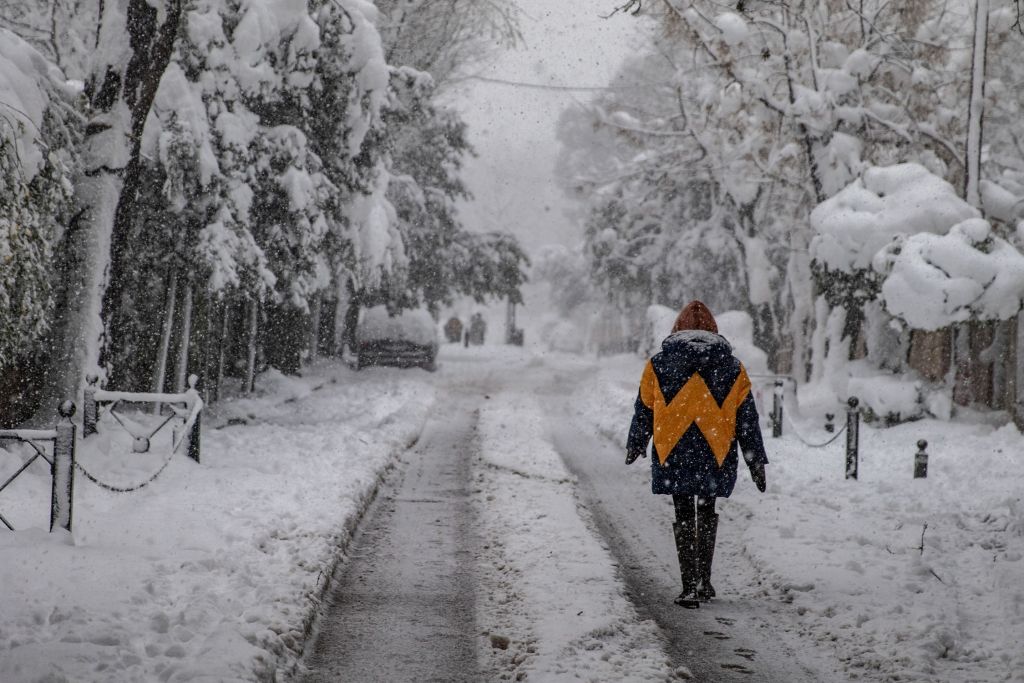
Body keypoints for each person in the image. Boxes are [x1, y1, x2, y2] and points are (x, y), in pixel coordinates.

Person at [626, 300, 768, 608]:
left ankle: (688, 585)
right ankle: (704, 580)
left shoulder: (658, 365)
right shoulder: (732, 368)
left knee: (683, 511)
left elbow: (645, 408)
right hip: (714, 450)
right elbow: (747, 418)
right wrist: (755, 459)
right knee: (706, 509)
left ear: (676, 329)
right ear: (715, 332)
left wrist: (636, 442)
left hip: (674, 450)